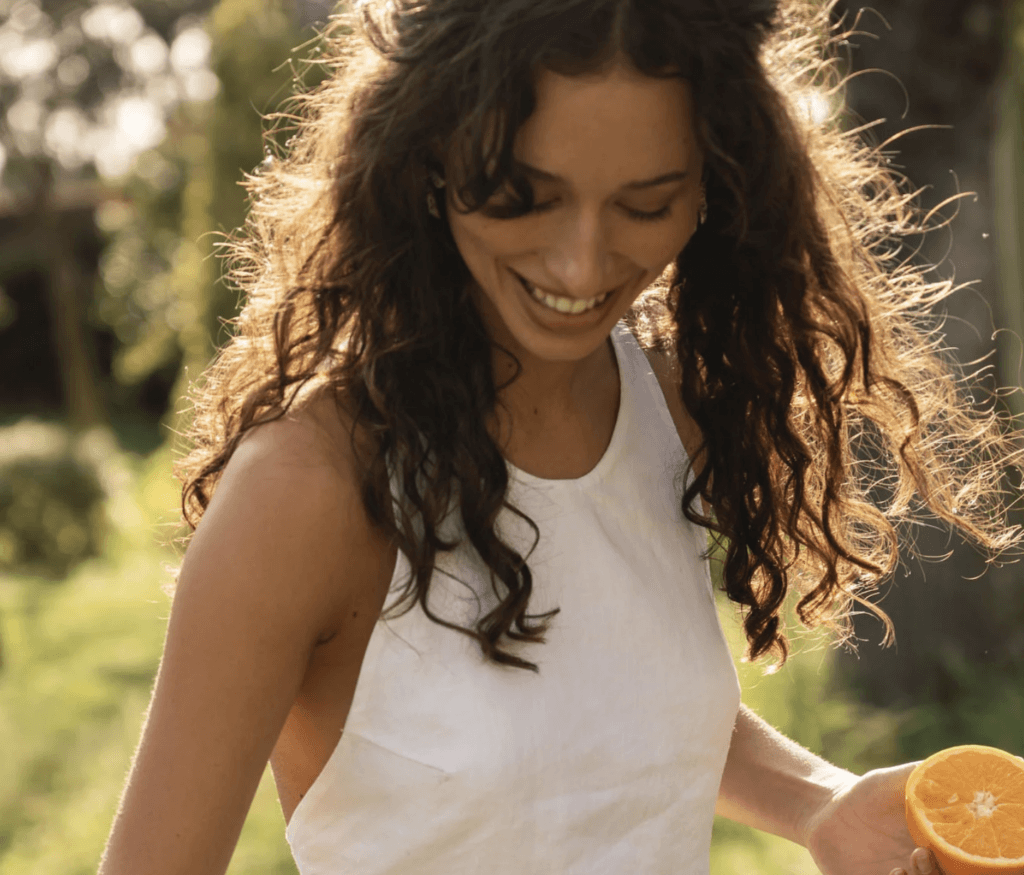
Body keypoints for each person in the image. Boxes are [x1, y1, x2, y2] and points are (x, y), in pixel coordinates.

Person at [98, 1, 1024, 873]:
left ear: (717, 184)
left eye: (644, 204)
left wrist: (820, 802)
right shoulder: (308, 490)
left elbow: (596, 710)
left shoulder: (666, 404)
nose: (583, 261)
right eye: (523, 194)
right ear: (430, 155)